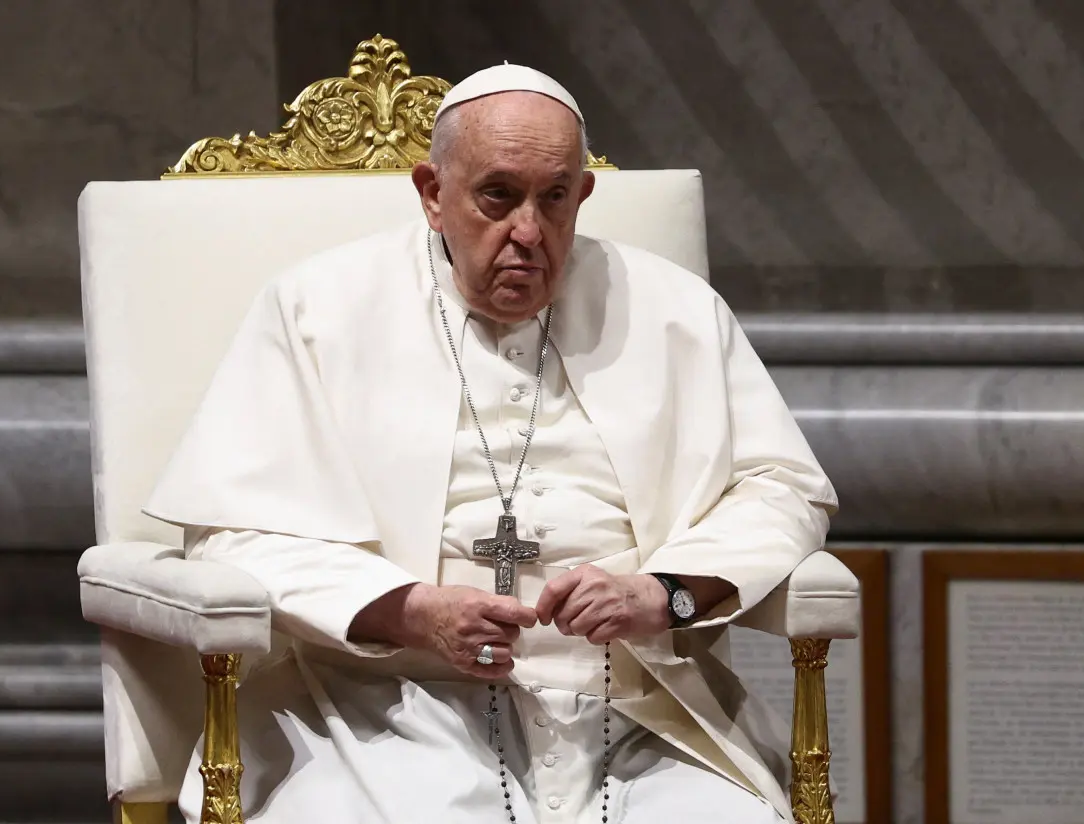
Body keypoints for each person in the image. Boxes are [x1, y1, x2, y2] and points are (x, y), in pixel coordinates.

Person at [145, 63, 837, 824]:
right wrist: (411, 611)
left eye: (555, 198)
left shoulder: (674, 310)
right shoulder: (319, 309)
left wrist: (663, 591)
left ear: (583, 195)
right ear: (433, 194)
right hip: (386, 710)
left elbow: (784, 489)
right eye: (498, 197)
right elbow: (231, 532)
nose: (529, 233)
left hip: (638, 709)